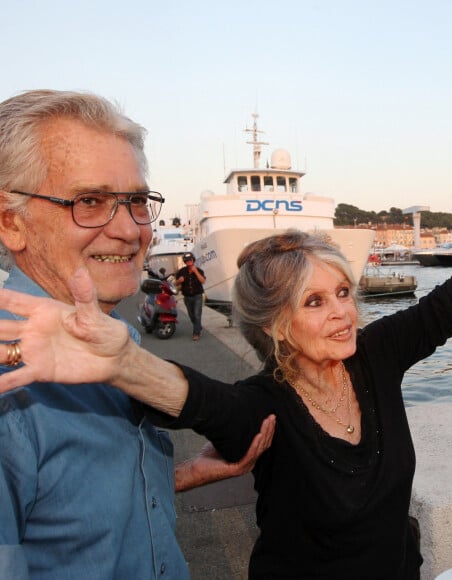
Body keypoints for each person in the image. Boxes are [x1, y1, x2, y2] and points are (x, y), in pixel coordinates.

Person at [0, 131, 452, 579]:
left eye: (344, 293)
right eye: (317, 301)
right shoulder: (265, 404)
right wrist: (123, 363)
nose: (343, 313)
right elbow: (200, 401)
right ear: (277, 325)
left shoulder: (374, 356)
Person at [0, 89, 274, 580]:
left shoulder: (112, 339)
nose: (130, 229)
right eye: (90, 201)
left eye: (137, 201)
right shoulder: (11, 390)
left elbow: (72, 512)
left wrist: (186, 475)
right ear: (10, 223)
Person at [175, 252, 206, 340]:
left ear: (193, 260)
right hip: (187, 297)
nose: (189, 261)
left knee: (197, 315)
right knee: (191, 315)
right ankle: (198, 326)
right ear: (185, 261)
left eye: (190, 260)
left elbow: (203, 281)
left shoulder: (199, 271)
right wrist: (179, 281)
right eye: (187, 260)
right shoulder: (181, 271)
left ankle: (196, 333)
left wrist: (195, 271)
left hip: (197, 296)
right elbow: (175, 283)